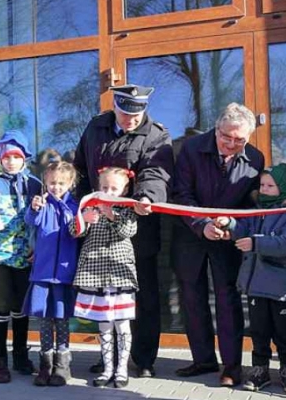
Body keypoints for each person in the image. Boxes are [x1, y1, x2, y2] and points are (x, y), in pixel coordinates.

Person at [73, 84, 173, 378]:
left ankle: (142, 359)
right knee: (105, 297)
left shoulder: (156, 133)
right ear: (115, 107)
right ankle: (110, 360)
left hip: (136, 228)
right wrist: (80, 207)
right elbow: (81, 167)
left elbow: (157, 172)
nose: (131, 120)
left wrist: (148, 197)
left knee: (141, 297)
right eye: (126, 113)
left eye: (137, 113)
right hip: (97, 229)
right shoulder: (95, 127)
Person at [171, 103, 265, 387]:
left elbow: (250, 204)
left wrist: (231, 228)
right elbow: (181, 193)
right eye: (227, 137)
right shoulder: (190, 149)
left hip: (227, 240)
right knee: (191, 298)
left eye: (240, 140)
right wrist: (202, 225)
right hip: (191, 234)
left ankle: (232, 367)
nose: (232, 144)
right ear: (216, 129)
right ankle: (203, 359)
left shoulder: (255, 159)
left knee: (228, 301)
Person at [213, 163, 286, 394]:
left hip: (280, 287)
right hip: (256, 286)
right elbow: (243, 227)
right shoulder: (258, 210)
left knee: (284, 333)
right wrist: (230, 223)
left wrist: (257, 243)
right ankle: (260, 369)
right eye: (262, 184)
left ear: (283, 188)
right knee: (259, 331)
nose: (264, 189)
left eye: (270, 186)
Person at [0, 131, 41, 383]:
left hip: (25, 254)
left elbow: (39, 221)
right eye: (6, 157)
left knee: (20, 308)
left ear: (24, 157)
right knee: (1, 306)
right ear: (0, 159)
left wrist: (38, 246)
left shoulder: (34, 184)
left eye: (16, 156)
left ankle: (21, 356)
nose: (11, 161)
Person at [73, 167, 139, 389]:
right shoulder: (90, 205)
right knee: (104, 325)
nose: (108, 191)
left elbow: (128, 231)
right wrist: (83, 219)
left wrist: (112, 214)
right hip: (95, 273)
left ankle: (122, 369)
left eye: (114, 188)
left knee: (122, 324)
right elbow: (75, 232)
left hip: (120, 274)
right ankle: (107, 368)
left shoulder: (128, 208)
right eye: (104, 187)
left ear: (124, 189)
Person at [24, 161, 79, 387]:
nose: (56, 187)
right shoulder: (41, 205)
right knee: (45, 320)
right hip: (43, 273)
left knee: (62, 319)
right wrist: (34, 207)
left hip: (64, 274)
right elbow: (31, 221)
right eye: (52, 183)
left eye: (61, 183)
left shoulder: (75, 207)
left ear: (70, 184)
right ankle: (45, 364)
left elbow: (77, 231)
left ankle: (62, 366)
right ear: (45, 183)